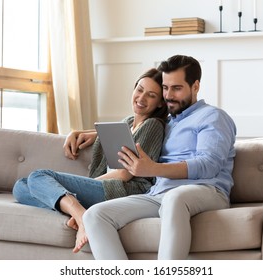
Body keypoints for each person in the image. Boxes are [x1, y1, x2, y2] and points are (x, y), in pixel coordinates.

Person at [80, 54, 237, 259]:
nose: (169, 95)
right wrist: (90, 134)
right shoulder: (168, 122)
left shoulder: (213, 116)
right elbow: (136, 129)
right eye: (165, 88)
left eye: (177, 88)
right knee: (94, 215)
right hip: (159, 194)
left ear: (196, 86)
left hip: (207, 190)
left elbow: (209, 164)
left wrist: (152, 169)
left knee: (174, 198)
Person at [12, 68, 168, 253]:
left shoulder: (153, 125)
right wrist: (82, 133)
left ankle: (80, 214)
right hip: (108, 186)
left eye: (151, 95)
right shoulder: (127, 122)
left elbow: (125, 174)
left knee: (38, 176)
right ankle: (74, 206)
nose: (141, 98)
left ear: (159, 103)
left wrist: (86, 184)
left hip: (123, 189)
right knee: (20, 187)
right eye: (140, 89)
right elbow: (110, 137)